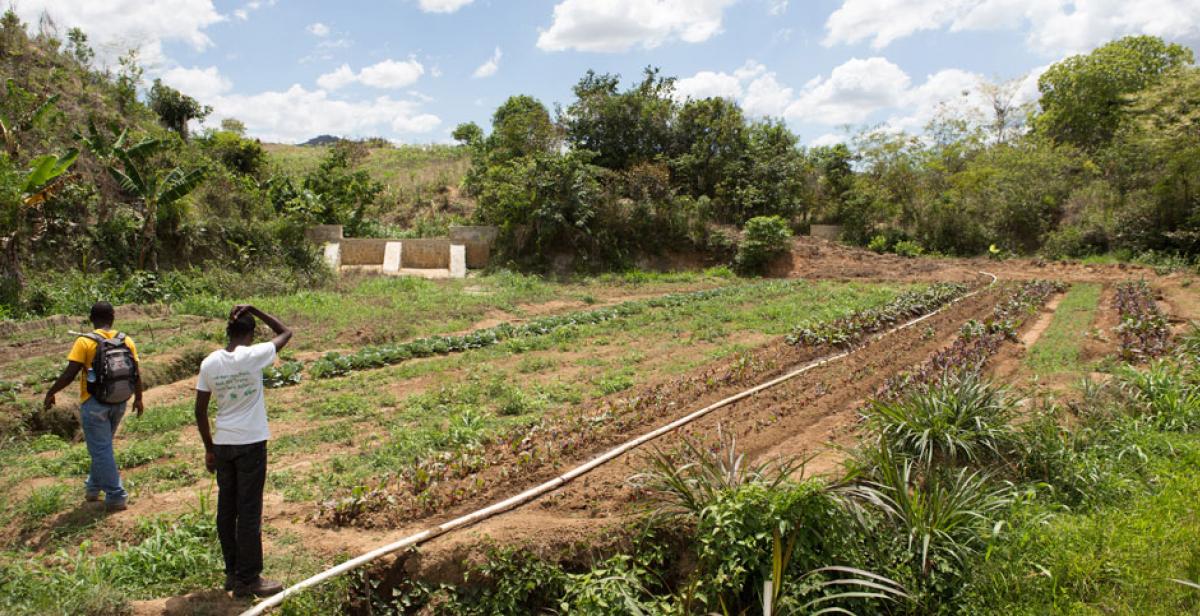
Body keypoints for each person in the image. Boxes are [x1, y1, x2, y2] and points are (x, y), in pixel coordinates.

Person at [194, 304, 292, 598]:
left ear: (228, 332)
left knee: (227, 509)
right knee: (248, 511)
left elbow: (200, 411)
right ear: (249, 334)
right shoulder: (254, 355)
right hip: (251, 443)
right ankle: (249, 579)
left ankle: (232, 573)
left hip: (224, 444)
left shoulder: (209, 363)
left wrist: (209, 448)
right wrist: (256, 309)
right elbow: (286, 332)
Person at [42, 301, 144, 512]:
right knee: (103, 448)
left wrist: (51, 391)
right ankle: (93, 488)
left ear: (91, 319)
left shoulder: (84, 341)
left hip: (94, 402)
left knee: (100, 449)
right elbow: (136, 372)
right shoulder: (126, 340)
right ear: (113, 317)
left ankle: (116, 496)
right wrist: (139, 398)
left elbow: (70, 373)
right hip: (120, 401)